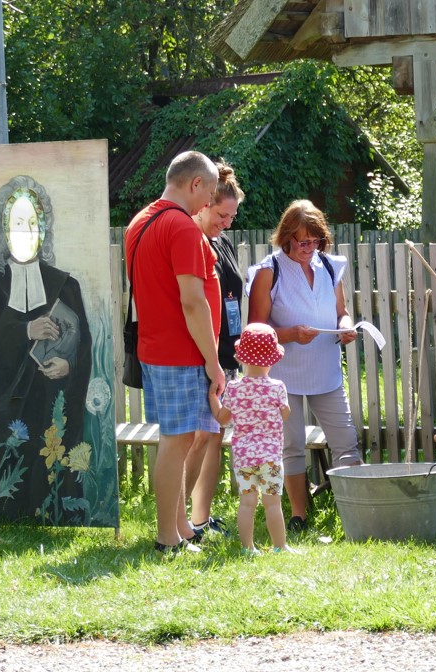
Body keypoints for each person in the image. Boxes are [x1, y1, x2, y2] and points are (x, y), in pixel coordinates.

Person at [0, 176, 91, 524]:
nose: (24, 231)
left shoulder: (64, 283)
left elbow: (84, 343)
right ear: (2, 228)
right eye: (16, 222)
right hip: (10, 398)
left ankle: (57, 512)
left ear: (43, 226)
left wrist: (69, 366)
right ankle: (9, 514)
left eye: (31, 222)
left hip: (51, 396)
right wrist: (25, 330)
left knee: (53, 451)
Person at [124, 150, 223, 553]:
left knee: (177, 439)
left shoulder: (141, 219)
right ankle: (167, 536)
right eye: (210, 192)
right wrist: (214, 362)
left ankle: (181, 526)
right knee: (175, 440)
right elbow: (192, 301)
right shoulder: (181, 227)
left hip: (157, 348)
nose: (210, 203)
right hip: (179, 351)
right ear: (195, 183)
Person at [247, 200, 362, 533]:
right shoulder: (270, 270)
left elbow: (341, 310)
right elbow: (256, 329)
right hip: (284, 375)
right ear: (285, 238)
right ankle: (299, 516)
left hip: (326, 368)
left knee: (345, 440)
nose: (306, 248)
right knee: (291, 444)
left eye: (313, 241)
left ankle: (353, 510)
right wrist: (291, 334)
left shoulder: (329, 267)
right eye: (300, 241)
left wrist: (347, 325)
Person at [184, 161, 245, 538]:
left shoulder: (221, 241)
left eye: (233, 216)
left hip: (228, 352)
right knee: (199, 436)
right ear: (205, 203)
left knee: (216, 436)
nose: (228, 222)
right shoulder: (191, 241)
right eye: (223, 214)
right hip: (203, 355)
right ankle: (180, 520)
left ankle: (200, 518)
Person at [209, 323, 292, 554]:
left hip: (244, 457)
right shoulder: (277, 387)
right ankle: (279, 546)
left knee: (247, 503)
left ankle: (248, 548)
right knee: (272, 503)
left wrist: (214, 398)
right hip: (272, 457)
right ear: (273, 359)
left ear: (240, 357)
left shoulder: (234, 389)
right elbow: (285, 414)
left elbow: (223, 419)